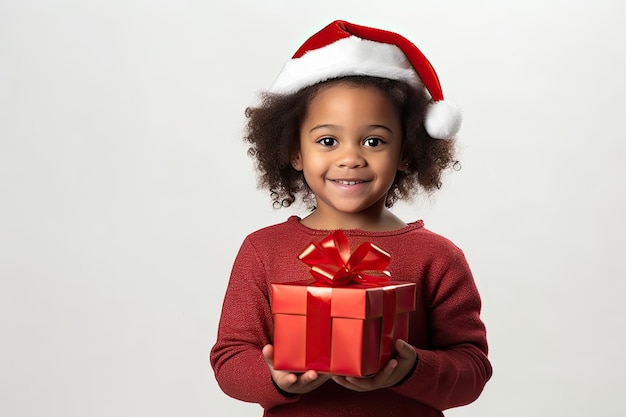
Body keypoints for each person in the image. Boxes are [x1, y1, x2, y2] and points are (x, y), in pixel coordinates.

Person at [210, 20, 492, 417]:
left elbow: (472, 371)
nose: (350, 157)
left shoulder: (438, 257)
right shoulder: (263, 250)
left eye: (374, 141)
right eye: (327, 140)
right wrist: (273, 375)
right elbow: (229, 358)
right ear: (295, 151)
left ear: (406, 153)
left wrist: (410, 369)